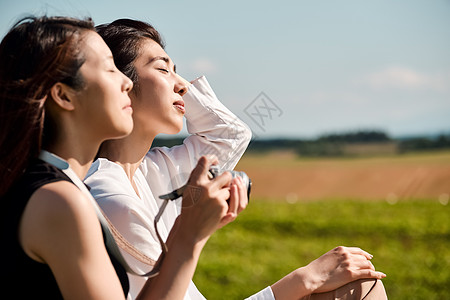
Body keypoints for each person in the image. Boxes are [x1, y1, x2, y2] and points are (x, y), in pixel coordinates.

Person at [84, 19, 388, 300]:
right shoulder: (113, 198)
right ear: (120, 85)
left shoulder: (151, 170)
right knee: (361, 287)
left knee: (359, 282)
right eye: (163, 69)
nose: (183, 84)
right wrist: (303, 279)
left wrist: (174, 88)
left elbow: (230, 135)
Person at [0, 15, 237, 299]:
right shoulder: (61, 200)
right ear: (64, 96)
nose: (126, 82)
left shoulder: (53, 186)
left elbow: (229, 136)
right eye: (109, 69)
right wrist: (189, 234)